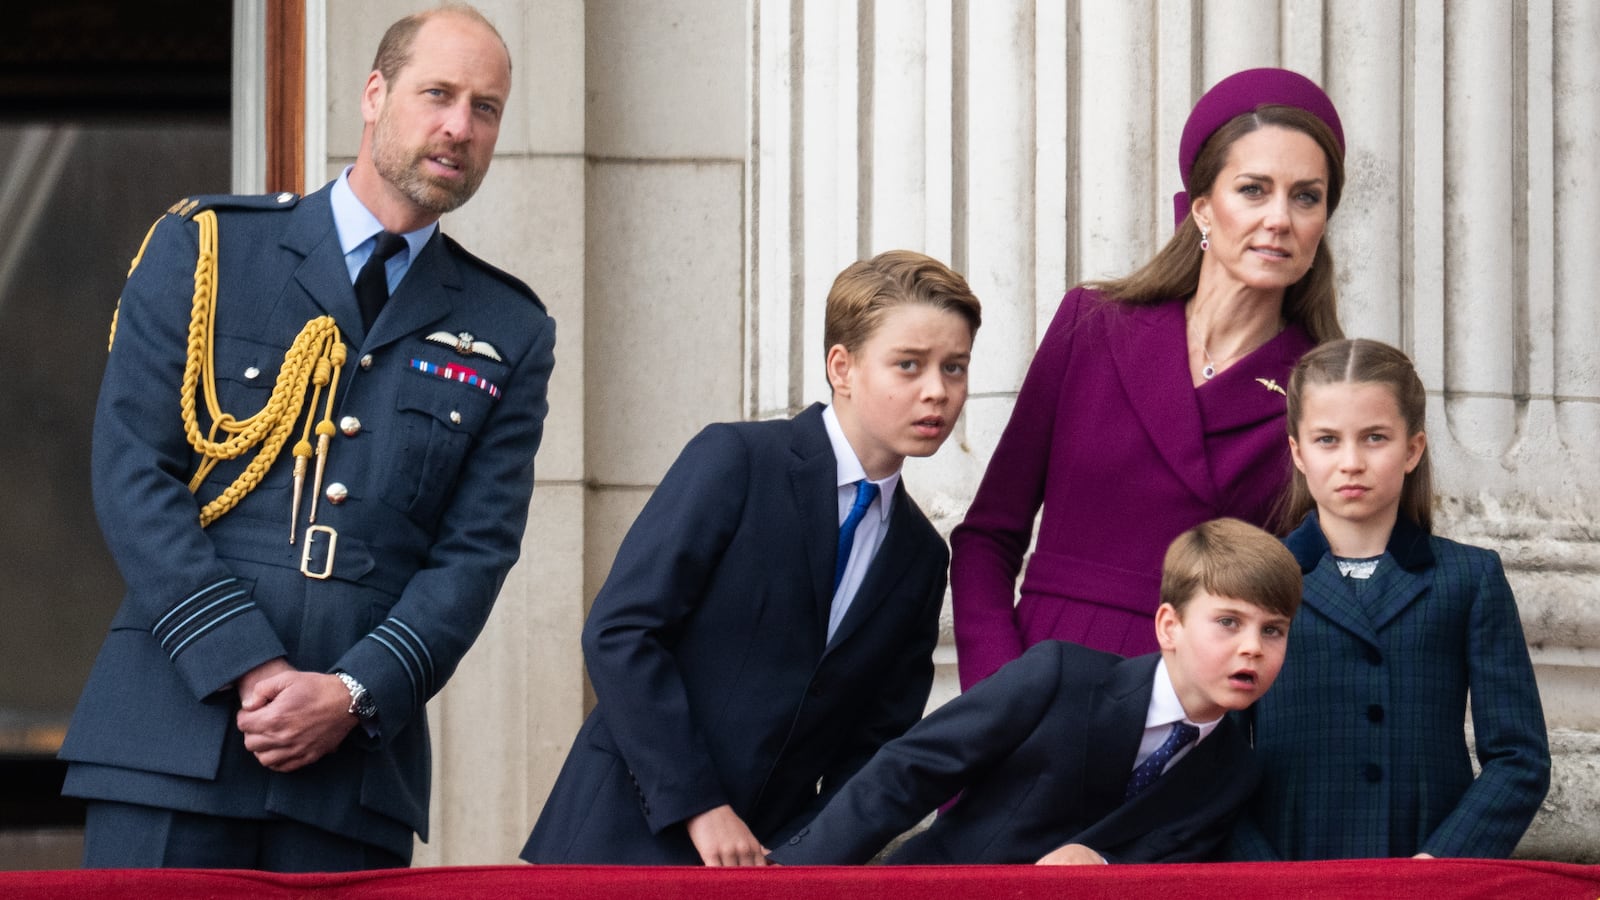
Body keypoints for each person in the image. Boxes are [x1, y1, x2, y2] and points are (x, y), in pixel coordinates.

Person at [58, 5, 555, 872]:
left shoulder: (508, 326)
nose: (458, 127)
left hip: (349, 776)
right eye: (437, 93)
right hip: (169, 741)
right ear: (374, 93)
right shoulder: (207, 249)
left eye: (485, 109)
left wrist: (353, 693)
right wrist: (248, 667)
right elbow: (134, 475)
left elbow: (475, 555)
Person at [521, 250, 980, 866]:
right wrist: (700, 805)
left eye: (955, 368)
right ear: (841, 367)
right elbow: (620, 632)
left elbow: (877, 746)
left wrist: (803, 855)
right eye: (909, 366)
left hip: (766, 865)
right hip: (620, 835)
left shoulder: (921, 555)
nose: (937, 392)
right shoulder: (737, 460)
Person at [950, 68, 1346, 689]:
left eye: (1305, 196)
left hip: (1194, 718)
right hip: (1038, 688)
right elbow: (986, 538)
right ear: (1203, 209)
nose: (1279, 218)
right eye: (1253, 189)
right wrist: (997, 698)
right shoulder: (1094, 325)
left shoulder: (1323, 392)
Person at [768, 518, 1299, 865]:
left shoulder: (1233, 773)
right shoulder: (1061, 675)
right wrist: (792, 881)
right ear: (1169, 626)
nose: (1252, 647)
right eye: (1228, 622)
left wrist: (1106, 869)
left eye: (1272, 629)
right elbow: (910, 770)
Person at [1230, 339, 1550, 859]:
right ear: (1298, 453)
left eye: (1375, 438)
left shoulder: (1470, 577)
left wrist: (1439, 866)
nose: (1351, 462)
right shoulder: (1252, 581)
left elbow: (1519, 757)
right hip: (1287, 871)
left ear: (1412, 449)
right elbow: (1210, 760)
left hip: (1424, 868)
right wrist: (1265, 877)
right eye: (1328, 440)